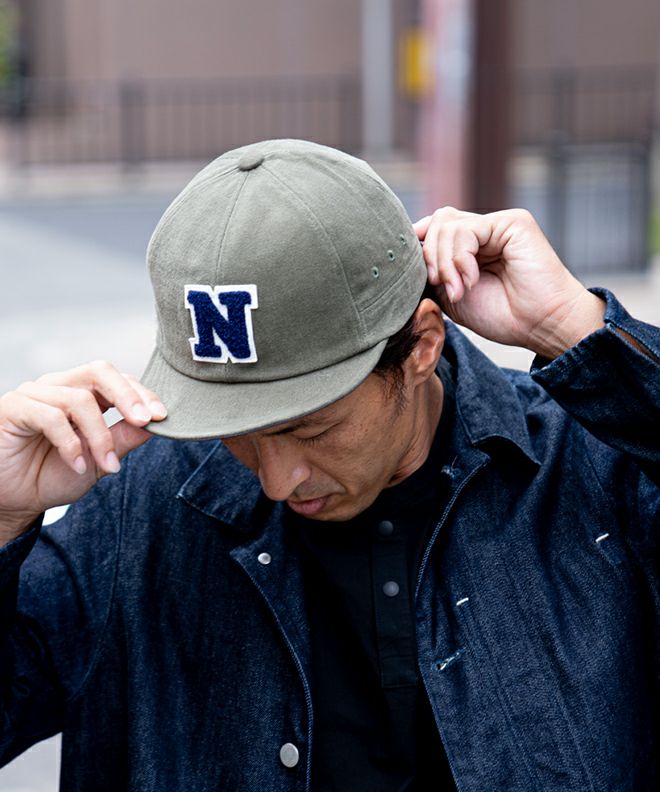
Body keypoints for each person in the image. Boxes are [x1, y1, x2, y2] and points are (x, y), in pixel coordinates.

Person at [0, 139, 657, 791]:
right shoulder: (140, 511)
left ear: (422, 347)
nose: (275, 480)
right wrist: (3, 515)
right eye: (236, 433)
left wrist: (578, 330)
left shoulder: (592, 468)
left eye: (310, 428)